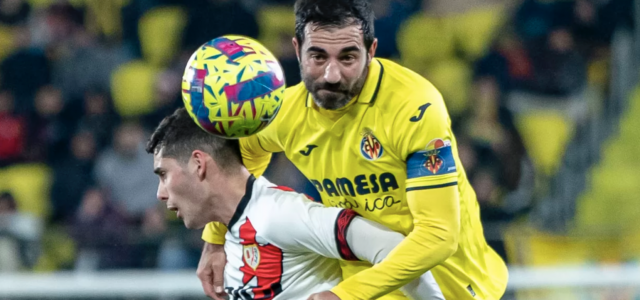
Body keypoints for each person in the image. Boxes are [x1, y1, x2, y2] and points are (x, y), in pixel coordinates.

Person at [197, 0, 509, 299]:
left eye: (347, 58)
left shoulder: (413, 107)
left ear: (371, 51)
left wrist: (346, 295)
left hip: (450, 286)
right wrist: (216, 240)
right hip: (363, 282)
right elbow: (245, 160)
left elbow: (438, 235)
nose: (332, 75)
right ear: (297, 49)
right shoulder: (286, 112)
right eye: (318, 57)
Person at [146, 108, 444, 300]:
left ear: (198, 164)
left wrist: (345, 295)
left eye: (164, 174)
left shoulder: (278, 214)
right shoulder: (233, 227)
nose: (160, 192)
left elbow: (392, 247)